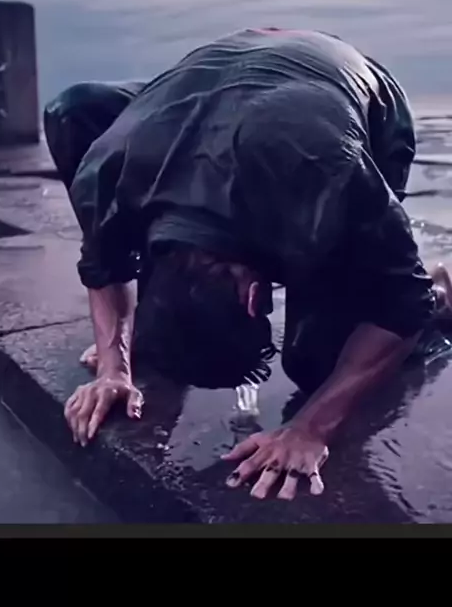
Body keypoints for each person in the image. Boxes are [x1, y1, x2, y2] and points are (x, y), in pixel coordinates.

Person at [44, 27, 444, 502]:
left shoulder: (326, 174)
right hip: (212, 93)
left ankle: (443, 284)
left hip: (354, 102)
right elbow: (102, 264)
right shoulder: (107, 170)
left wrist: (311, 427)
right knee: (72, 109)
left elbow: (402, 306)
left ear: (258, 297)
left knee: (318, 362)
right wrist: (114, 366)